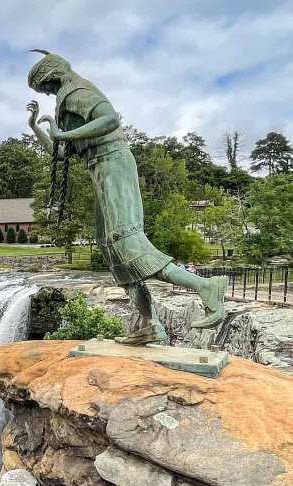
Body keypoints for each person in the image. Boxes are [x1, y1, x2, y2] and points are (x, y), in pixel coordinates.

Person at [26, 51, 228, 345]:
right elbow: (59, 152)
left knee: (127, 242)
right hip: (99, 169)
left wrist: (63, 135)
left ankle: (206, 286)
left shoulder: (75, 92)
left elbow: (110, 119)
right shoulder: (66, 100)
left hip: (112, 164)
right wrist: (36, 127)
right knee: (112, 249)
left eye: (44, 86)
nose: (45, 92)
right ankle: (150, 324)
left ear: (53, 75)